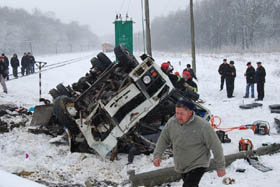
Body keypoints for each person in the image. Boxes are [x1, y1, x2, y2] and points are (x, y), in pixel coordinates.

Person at [153, 98, 225, 187]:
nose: (178, 116)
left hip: (198, 163)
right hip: (182, 164)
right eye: (177, 113)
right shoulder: (172, 123)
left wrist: (220, 166)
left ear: (190, 112)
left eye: (182, 113)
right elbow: (163, 139)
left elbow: (216, 146)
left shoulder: (202, 126)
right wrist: (157, 155)